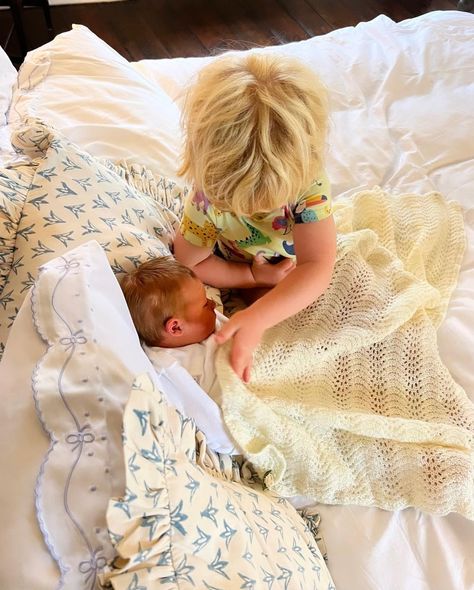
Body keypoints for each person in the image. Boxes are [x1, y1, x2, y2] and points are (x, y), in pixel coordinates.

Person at [174, 52, 337, 382]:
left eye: (266, 204)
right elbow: (189, 262)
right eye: (237, 204)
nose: (252, 212)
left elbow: (318, 264)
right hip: (240, 266)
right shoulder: (208, 195)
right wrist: (250, 276)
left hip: (294, 264)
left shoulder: (309, 184)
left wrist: (260, 316)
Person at [120, 256, 227, 400]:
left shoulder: (202, 322)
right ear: (176, 328)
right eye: (205, 304)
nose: (213, 303)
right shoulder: (170, 367)